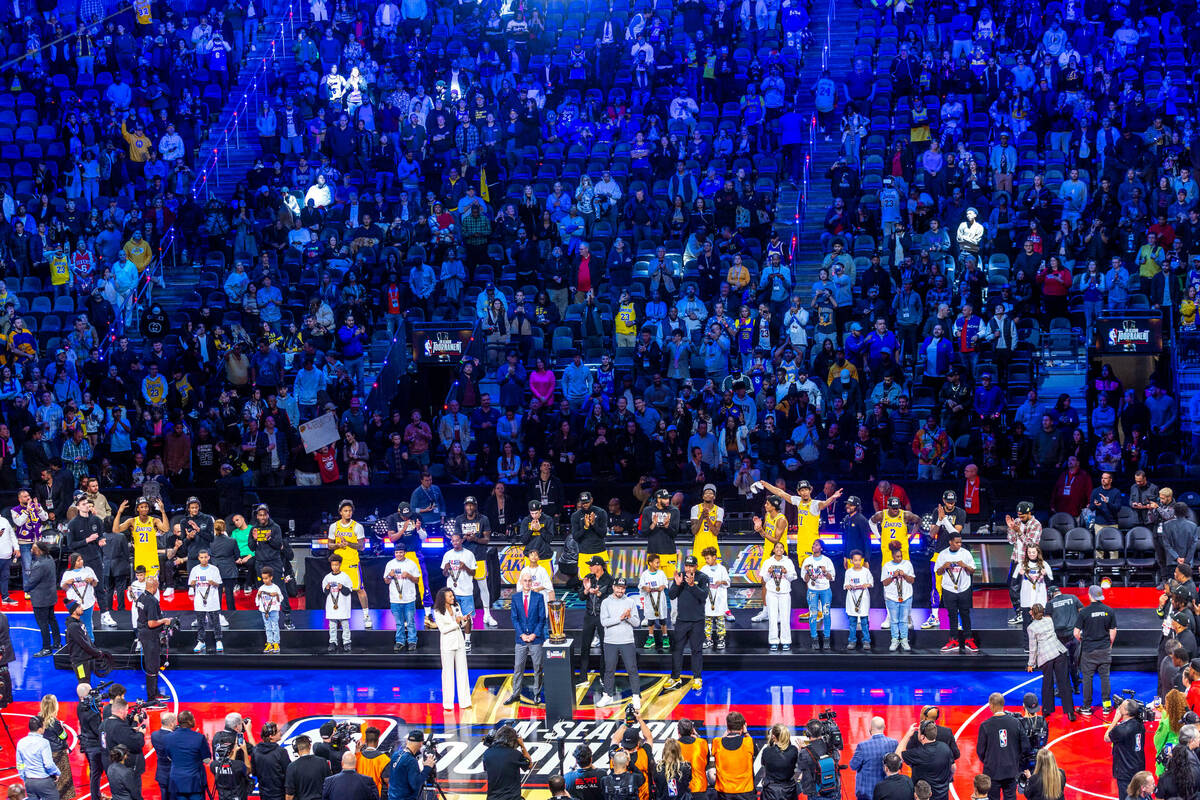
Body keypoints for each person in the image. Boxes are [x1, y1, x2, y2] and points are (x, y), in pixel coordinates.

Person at [328, 500, 373, 629]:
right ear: (340, 512)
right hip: (338, 563)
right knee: (337, 590)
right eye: (345, 511)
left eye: (350, 511)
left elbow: (362, 546)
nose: (348, 513)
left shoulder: (357, 526)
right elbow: (329, 545)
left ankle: (366, 616)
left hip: (352, 562)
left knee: (359, 589)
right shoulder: (334, 526)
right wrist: (338, 545)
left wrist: (347, 543)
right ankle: (338, 617)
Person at [667, 555, 709, 691]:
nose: (689, 568)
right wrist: (678, 584)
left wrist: (692, 585)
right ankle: (675, 678)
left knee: (696, 650)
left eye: (691, 566)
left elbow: (703, 596)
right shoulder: (680, 575)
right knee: (677, 650)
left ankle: (697, 678)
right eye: (687, 565)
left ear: (696, 566)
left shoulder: (703, 578)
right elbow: (672, 595)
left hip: (697, 621)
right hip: (681, 621)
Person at [1026, 604, 1075, 720]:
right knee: (1064, 682)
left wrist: (1030, 664)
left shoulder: (1031, 627)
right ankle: (1070, 712)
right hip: (1058, 652)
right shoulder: (1049, 620)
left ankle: (1047, 710)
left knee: (1047, 683)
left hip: (1046, 656)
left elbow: (1033, 647)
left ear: (1032, 613)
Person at [598, 577, 641, 707]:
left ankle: (636, 696)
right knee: (609, 670)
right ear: (613, 587)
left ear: (625, 589)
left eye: (622, 588)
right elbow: (604, 622)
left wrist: (628, 617)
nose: (620, 590)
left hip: (627, 641)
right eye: (618, 587)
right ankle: (608, 696)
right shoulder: (606, 602)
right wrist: (620, 618)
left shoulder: (630, 602)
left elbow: (637, 623)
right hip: (610, 641)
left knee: (632, 669)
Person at [506, 572, 547, 704]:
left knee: (538, 668)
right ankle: (516, 694)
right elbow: (514, 618)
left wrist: (534, 634)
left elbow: (542, 618)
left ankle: (537, 694)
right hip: (521, 639)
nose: (528, 583)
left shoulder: (539, 597)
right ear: (521, 582)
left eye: (530, 581)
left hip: (536, 638)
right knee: (518, 667)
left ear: (532, 583)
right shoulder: (516, 597)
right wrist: (522, 634)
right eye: (525, 581)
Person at [976, 693, 1027, 800]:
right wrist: (1015, 760)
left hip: (992, 771)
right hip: (1011, 770)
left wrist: (989, 761)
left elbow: (980, 751)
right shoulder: (1016, 722)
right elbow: (1025, 746)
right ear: (1003, 704)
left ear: (991, 705)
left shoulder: (985, 725)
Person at [1076, 585, 1117, 715]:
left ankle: (1087, 707)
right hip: (1104, 649)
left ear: (1089, 595)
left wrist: (1083, 640)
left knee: (1087, 678)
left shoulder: (1084, 612)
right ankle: (1106, 706)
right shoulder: (1109, 611)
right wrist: (1109, 644)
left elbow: (1076, 633)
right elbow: (1113, 631)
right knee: (1105, 677)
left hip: (1089, 651)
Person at [457, 496, 498, 627]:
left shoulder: (483, 519)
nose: (469, 507)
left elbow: (487, 539)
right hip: (464, 558)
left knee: (483, 586)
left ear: (475, 506)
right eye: (467, 505)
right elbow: (455, 539)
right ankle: (465, 615)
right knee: (463, 587)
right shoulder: (459, 520)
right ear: (464, 506)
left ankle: (487, 614)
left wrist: (475, 539)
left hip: (479, 557)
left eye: (471, 505)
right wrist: (464, 538)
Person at [934, 532, 977, 653]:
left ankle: (968, 639)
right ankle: (954, 640)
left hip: (964, 588)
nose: (959, 544)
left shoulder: (965, 553)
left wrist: (964, 565)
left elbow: (973, 570)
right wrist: (944, 567)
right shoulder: (943, 554)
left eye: (960, 542)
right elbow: (938, 572)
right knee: (952, 615)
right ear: (950, 542)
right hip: (949, 589)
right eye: (957, 542)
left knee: (965, 614)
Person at [134, 575, 172, 704]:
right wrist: (164, 621)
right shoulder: (152, 601)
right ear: (154, 586)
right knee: (152, 667)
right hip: (150, 637)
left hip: (144, 635)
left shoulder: (141, 597)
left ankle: (155, 692)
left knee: (154, 665)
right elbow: (151, 623)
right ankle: (151, 699)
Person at [432, 587, 472, 710]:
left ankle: (465, 702)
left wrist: (465, 620)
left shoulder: (456, 606)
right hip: (447, 645)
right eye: (450, 596)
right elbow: (443, 629)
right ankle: (448, 704)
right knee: (447, 674)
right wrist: (456, 622)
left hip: (459, 642)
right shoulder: (438, 611)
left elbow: (461, 624)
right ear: (443, 598)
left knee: (462, 672)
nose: (452, 598)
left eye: (452, 595)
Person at [113, 497, 169, 581]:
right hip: (140, 558)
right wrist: (119, 512)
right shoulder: (132, 521)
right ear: (137, 508)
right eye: (141, 507)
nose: (144, 509)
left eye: (146, 506)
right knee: (141, 585)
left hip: (152, 558)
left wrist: (163, 511)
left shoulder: (154, 520)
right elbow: (115, 530)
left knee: (153, 585)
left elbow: (166, 529)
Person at [897, 722, 954, 800]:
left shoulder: (919, 753)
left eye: (918, 732)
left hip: (924, 797)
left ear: (922, 737)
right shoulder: (945, 747)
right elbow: (953, 768)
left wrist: (907, 735)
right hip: (943, 795)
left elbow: (898, 755)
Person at [578, 556, 613, 683]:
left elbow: (612, 600)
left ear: (599, 566)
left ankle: (603, 676)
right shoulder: (589, 577)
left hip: (602, 617)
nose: (589, 567)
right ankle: (583, 677)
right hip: (589, 616)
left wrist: (599, 594)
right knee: (585, 646)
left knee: (605, 647)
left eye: (591, 565)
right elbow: (581, 597)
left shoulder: (609, 580)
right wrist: (587, 590)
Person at [1104, 699, 1148, 798]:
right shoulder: (1139, 724)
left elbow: (1106, 737)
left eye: (1121, 707)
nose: (1119, 708)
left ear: (1126, 712)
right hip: (1138, 767)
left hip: (1126, 771)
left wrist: (1115, 719)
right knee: (1138, 796)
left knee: (1126, 796)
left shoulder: (1122, 730)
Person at [164, 710, 212, 800]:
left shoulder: (168, 737)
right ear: (189, 721)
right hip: (195, 783)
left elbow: (169, 757)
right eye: (193, 718)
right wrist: (206, 743)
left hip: (177, 782)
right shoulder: (200, 738)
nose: (194, 720)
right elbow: (207, 760)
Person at [385, 541, 422, 653]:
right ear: (394, 553)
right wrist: (389, 576)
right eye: (397, 552)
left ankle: (412, 641)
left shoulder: (411, 564)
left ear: (405, 553)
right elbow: (386, 581)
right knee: (399, 622)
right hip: (395, 599)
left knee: (410, 621)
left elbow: (417, 580)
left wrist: (409, 576)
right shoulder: (390, 564)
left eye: (401, 552)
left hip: (409, 599)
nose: (399, 554)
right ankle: (400, 641)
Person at [849, 717, 899, 800]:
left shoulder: (863, 746)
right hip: (887, 791)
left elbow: (853, 766)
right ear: (884, 727)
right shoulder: (894, 743)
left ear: (870, 728)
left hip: (867, 793)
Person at [712, 711, 756, 800]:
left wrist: (728, 730)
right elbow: (755, 749)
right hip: (746, 792)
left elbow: (722, 739)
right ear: (743, 727)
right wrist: (746, 732)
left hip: (724, 793)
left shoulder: (717, 743)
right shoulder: (749, 742)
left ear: (727, 727)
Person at [801, 539, 836, 650]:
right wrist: (807, 572)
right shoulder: (807, 561)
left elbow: (832, 578)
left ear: (821, 548)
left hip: (825, 589)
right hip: (812, 590)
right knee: (813, 614)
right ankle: (814, 638)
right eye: (813, 544)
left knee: (826, 613)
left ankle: (827, 638)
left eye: (816, 545)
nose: (813, 546)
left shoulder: (827, 561)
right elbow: (805, 580)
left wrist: (825, 572)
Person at [28, 540, 61, 655]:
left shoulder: (39, 565)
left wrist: (26, 587)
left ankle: (46, 648)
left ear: (39, 551)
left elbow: (31, 582)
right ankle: (57, 643)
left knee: (43, 624)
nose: (31, 550)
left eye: (33, 548)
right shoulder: (50, 559)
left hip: (40, 599)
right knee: (52, 619)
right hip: (50, 596)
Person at [881, 541, 915, 652]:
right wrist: (893, 576)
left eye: (901, 556)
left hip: (906, 596)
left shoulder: (907, 564)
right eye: (897, 557)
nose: (899, 558)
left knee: (904, 620)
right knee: (894, 620)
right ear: (892, 556)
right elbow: (884, 583)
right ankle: (895, 640)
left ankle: (904, 640)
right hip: (892, 597)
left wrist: (904, 575)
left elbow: (912, 580)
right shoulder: (887, 566)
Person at [188, 549, 224, 654]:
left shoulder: (214, 569)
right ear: (198, 558)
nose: (204, 559)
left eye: (205, 557)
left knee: (216, 622)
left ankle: (218, 640)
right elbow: (191, 584)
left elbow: (219, 584)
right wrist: (193, 583)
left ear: (209, 557)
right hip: (199, 600)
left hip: (212, 600)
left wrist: (213, 583)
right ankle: (201, 641)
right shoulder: (195, 570)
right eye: (201, 557)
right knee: (200, 623)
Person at [763, 545, 797, 651]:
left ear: (783, 550)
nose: (779, 549)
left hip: (785, 593)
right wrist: (768, 572)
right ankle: (774, 641)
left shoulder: (788, 562)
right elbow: (764, 578)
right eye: (777, 547)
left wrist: (786, 572)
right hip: (772, 592)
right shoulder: (768, 561)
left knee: (785, 618)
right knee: (772, 618)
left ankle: (786, 641)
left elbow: (793, 577)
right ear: (773, 549)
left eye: (781, 548)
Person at [482, 726, 531, 800]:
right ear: (513, 740)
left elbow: (487, 769)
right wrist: (522, 745)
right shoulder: (515, 754)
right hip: (512, 798)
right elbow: (530, 765)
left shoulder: (487, 753)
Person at [64, 600, 105, 684]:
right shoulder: (73, 626)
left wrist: (95, 650)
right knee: (83, 682)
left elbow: (87, 639)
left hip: (84, 659)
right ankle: (83, 697)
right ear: (74, 611)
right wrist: (96, 653)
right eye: (79, 607)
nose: (82, 608)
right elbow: (83, 643)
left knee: (87, 681)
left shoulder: (79, 623)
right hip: (79, 662)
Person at [798, 717, 840, 800]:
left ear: (808, 734)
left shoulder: (805, 752)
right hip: (833, 791)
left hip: (816, 793)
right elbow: (837, 758)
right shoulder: (831, 747)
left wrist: (803, 750)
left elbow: (802, 767)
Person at [75, 684, 104, 800]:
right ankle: (95, 797)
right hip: (94, 745)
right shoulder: (92, 711)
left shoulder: (79, 706)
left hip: (86, 743)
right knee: (96, 773)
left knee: (94, 771)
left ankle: (96, 795)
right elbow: (98, 730)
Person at [61, 552, 99, 639]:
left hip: (88, 601)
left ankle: (90, 644)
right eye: (78, 561)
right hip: (74, 604)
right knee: (75, 625)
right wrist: (67, 583)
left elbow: (95, 584)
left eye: (81, 559)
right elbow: (64, 587)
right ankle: (76, 643)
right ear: (73, 562)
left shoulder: (88, 570)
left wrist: (92, 580)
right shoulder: (67, 573)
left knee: (88, 625)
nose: (81, 562)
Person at [388, 731, 435, 800]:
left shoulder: (395, 755)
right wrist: (427, 768)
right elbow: (416, 784)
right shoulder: (411, 761)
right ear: (421, 744)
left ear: (407, 741)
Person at [250, 722, 292, 800]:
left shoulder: (255, 751)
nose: (281, 733)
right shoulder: (281, 752)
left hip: (264, 794)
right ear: (271, 736)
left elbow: (254, 772)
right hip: (279, 795)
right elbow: (288, 773)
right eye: (279, 731)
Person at [639, 553, 671, 651]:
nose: (658, 564)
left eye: (659, 563)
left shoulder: (661, 573)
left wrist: (663, 586)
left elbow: (666, 582)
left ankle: (665, 637)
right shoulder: (645, 574)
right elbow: (640, 585)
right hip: (650, 600)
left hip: (660, 600)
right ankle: (651, 637)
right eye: (656, 563)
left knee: (662, 620)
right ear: (650, 563)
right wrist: (645, 587)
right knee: (651, 620)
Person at [322, 554, 353, 652]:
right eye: (333, 565)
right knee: (332, 626)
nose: (334, 567)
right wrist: (327, 588)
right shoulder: (327, 577)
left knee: (345, 625)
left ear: (340, 565)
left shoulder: (345, 577)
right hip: (332, 605)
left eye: (336, 565)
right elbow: (325, 592)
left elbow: (349, 591)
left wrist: (342, 587)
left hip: (343, 605)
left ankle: (347, 642)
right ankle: (333, 642)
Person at [844, 550, 874, 651]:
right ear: (851, 561)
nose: (857, 562)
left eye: (859, 560)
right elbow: (845, 585)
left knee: (864, 621)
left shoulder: (866, 571)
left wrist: (867, 584)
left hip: (863, 599)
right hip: (852, 600)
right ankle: (852, 640)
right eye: (855, 560)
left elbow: (871, 582)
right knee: (852, 622)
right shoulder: (848, 572)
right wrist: (848, 586)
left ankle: (866, 640)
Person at [760, 724, 798, 800]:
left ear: (773, 737)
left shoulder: (767, 751)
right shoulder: (793, 750)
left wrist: (770, 742)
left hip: (770, 792)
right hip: (789, 792)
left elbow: (763, 763)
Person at [287, 736, 331, 800]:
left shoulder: (291, 767)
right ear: (310, 746)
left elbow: (289, 795)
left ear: (296, 749)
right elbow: (329, 785)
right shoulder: (322, 762)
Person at [255, 567, 284, 654]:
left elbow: (281, 598)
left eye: (266, 578)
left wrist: (277, 595)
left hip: (274, 610)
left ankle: (276, 643)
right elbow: (257, 601)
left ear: (271, 577)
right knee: (267, 627)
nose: (264, 580)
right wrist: (259, 595)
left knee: (275, 626)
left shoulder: (275, 587)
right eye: (263, 578)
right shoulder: (261, 588)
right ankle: (269, 643)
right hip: (265, 611)